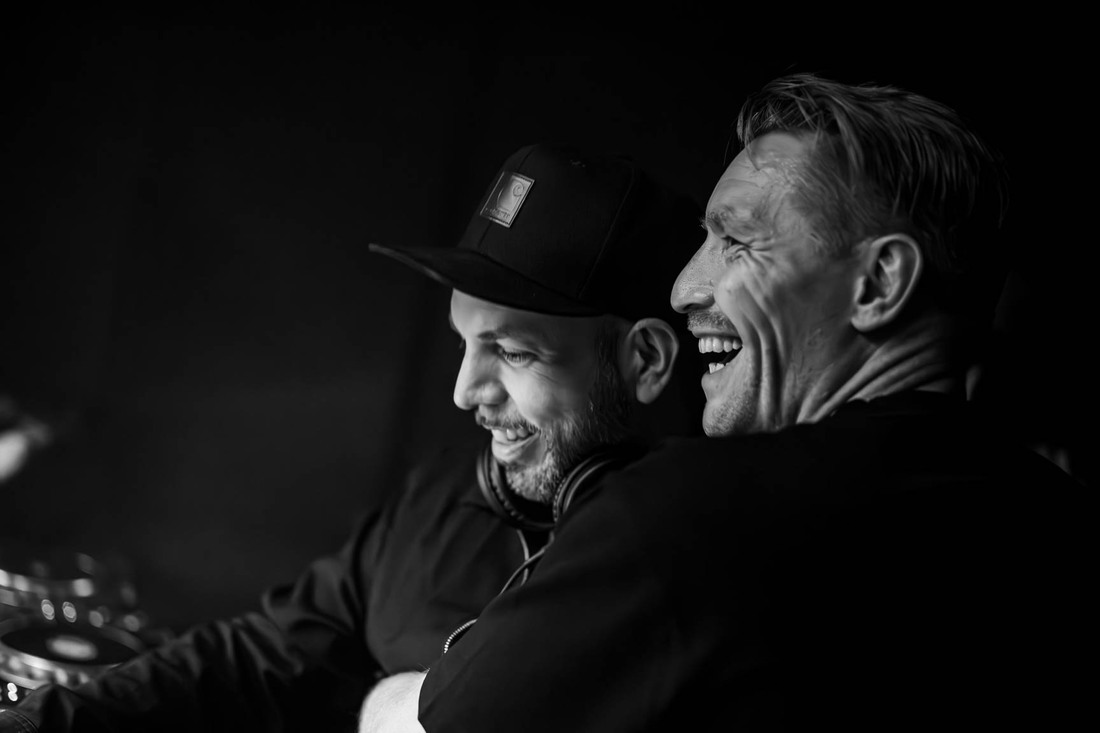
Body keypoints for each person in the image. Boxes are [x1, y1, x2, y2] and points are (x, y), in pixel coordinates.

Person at [392, 74, 1089, 731]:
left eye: (734, 241)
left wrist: (384, 696)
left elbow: (439, 721)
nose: (684, 289)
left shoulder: (686, 516)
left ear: (880, 283)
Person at [0, 142, 703, 731]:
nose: (465, 392)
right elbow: (266, 655)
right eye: (464, 343)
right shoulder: (441, 495)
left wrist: (391, 707)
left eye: (514, 352)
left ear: (644, 360)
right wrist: (43, 720)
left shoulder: (697, 584)